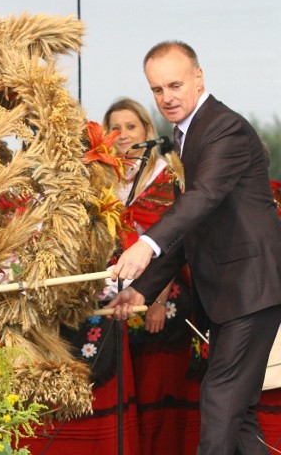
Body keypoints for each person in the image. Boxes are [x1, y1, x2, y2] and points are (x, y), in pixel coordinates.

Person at [109, 41, 281, 455]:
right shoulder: (186, 135)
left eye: (174, 85)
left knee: (220, 402)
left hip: (250, 292)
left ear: (199, 78)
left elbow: (200, 199)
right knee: (237, 417)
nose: (166, 98)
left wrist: (145, 245)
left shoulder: (224, 128)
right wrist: (141, 290)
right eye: (156, 90)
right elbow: (193, 230)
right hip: (230, 296)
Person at [105, 97, 200, 455]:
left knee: (160, 385)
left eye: (131, 126)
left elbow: (176, 238)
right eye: (116, 127)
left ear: (147, 130)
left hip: (163, 295)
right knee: (133, 391)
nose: (124, 134)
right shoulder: (107, 178)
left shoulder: (167, 175)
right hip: (119, 296)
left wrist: (158, 298)